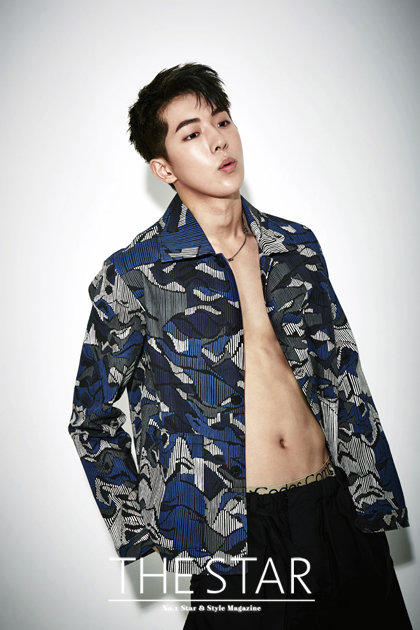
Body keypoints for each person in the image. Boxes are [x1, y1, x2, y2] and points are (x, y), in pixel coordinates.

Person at [68, 62, 412, 628]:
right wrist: (145, 537)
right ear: (162, 167)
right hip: (234, 537)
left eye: (222, 121)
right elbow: (91, 420)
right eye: (192, 134)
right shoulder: (135, 276)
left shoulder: (295, 246)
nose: (218, 140)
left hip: (338, 511)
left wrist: (372, 490)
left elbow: (344, 374)